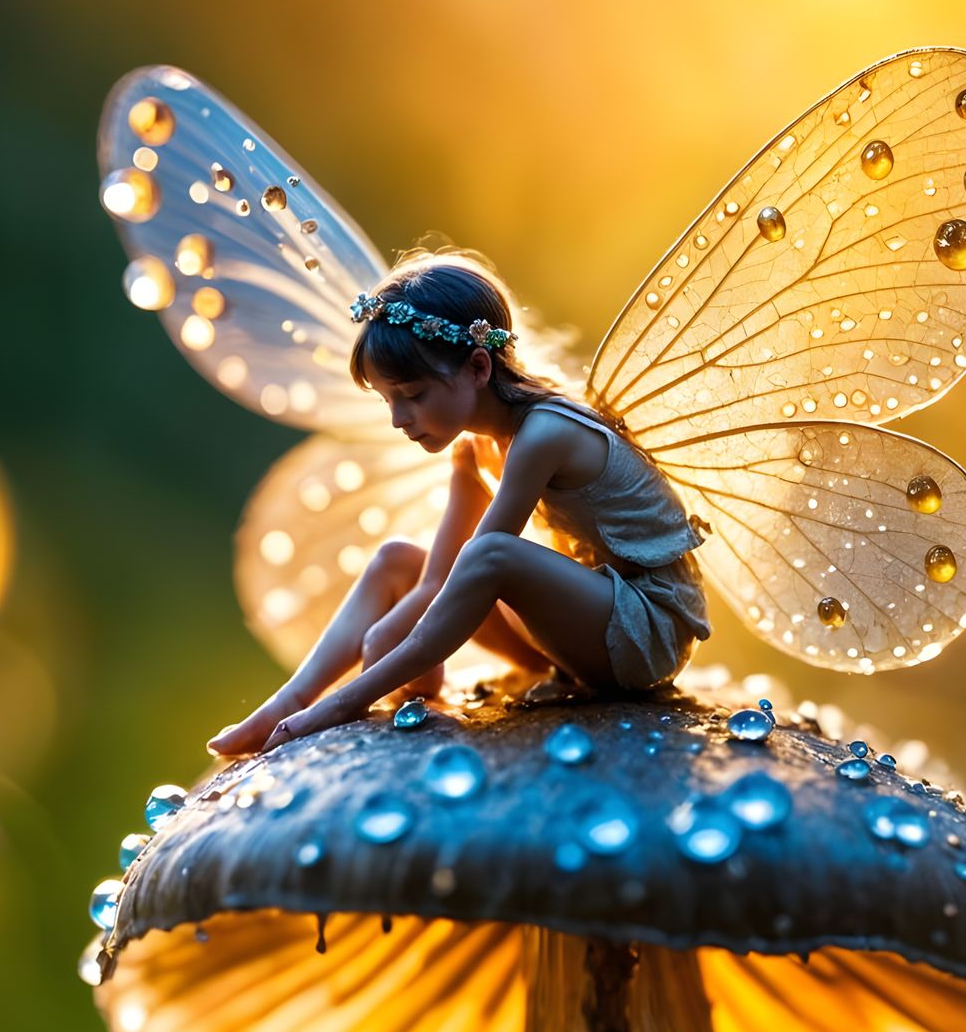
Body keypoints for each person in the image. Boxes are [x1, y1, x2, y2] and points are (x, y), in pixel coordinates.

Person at [206, 257, 710, 757]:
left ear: (478, 366)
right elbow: (438, 579)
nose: (400, 418)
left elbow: (486, 563)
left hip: (644, 630)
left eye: (413, 394)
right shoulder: (473, 449)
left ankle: (341, 703)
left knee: (490, 553)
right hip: (583, 630)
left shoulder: (546, 433)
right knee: (397, 561)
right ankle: (288, 701)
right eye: (388, 400)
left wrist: (375, 668)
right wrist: (387, 632)